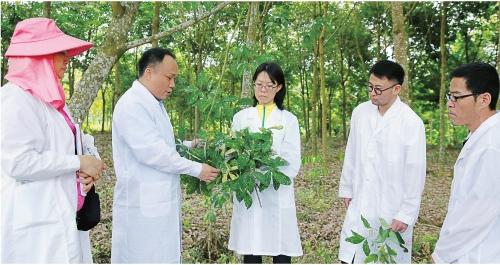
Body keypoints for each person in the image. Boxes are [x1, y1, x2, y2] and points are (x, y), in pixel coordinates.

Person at [1, 18, 106, 263]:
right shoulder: (15, 100)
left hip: (62, 215)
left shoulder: (51, 101)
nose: (67, 58)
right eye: (60, 52)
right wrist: (77, 162)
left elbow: (79, 139)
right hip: (34, 222)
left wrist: (91, 164)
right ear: (37, 56)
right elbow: (18, 163)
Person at [111, 47, 219, 263]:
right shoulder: (132, 105)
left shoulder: (153, 103)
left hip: (159, 204)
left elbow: (163, 143)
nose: (173, 85)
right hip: (141, 208)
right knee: (143, 256)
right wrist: (196, 169)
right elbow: (153, 152)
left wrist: (188, 146)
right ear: (149, 72)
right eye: (169, 78)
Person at [338, 60, 426, 263]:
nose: (372, 93)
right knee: (353, 255)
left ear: (396, 89)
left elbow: (415, 172)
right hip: (360, 199)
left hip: (391, 208)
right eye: (370, 87)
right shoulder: (360, 112)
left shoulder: (411, 123)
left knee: (386, 256)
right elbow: (351, 151)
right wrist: (347, 188)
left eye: (378, 89)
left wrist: (406, 213)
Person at [228, 62, 302, 264]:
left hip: (276, 191)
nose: (263, 90)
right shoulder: (241, 118)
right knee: (251, 248)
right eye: (259, 84)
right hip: (249, 190)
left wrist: (268, 173)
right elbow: (232, 153)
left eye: (269, 85)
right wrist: (247, 172)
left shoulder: (288, 120)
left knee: (280, 248)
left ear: (278, 87)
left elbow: (292, 159)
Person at [432, 63, 500, 263]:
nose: (450, 103)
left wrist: (440, 255)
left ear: (484, 99)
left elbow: (475, 217)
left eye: (457, 97)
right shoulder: (481, 137)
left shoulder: (491, 147)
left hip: (479, 254)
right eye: (449, 97)